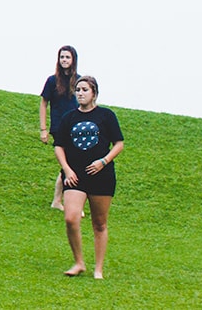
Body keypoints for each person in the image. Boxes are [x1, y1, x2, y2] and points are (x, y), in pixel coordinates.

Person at [51, 75, 124, 280]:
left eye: (85, 90)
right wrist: (66, 169)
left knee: (99, 223)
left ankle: (98, 268)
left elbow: (119, 143)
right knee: (71, 218)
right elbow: (59, 146)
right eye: (78, 90)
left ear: (94, 93)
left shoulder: (106, 116)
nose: (80, 94)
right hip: (75, 176)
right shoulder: (69, 118)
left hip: (101, 176)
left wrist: (104, 161)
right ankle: (79, 262)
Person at [40, 46, 80, 210]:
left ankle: (60, 200)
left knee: (72, 163)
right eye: (62, 57)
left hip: (76, 127)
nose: (64, 60)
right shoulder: (52, 80)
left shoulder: (79, 80)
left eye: (67, 57)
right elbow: (43, 103)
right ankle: (63, 201)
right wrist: (43, 129)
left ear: (73, 60)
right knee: (69, 162)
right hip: (59, 127)